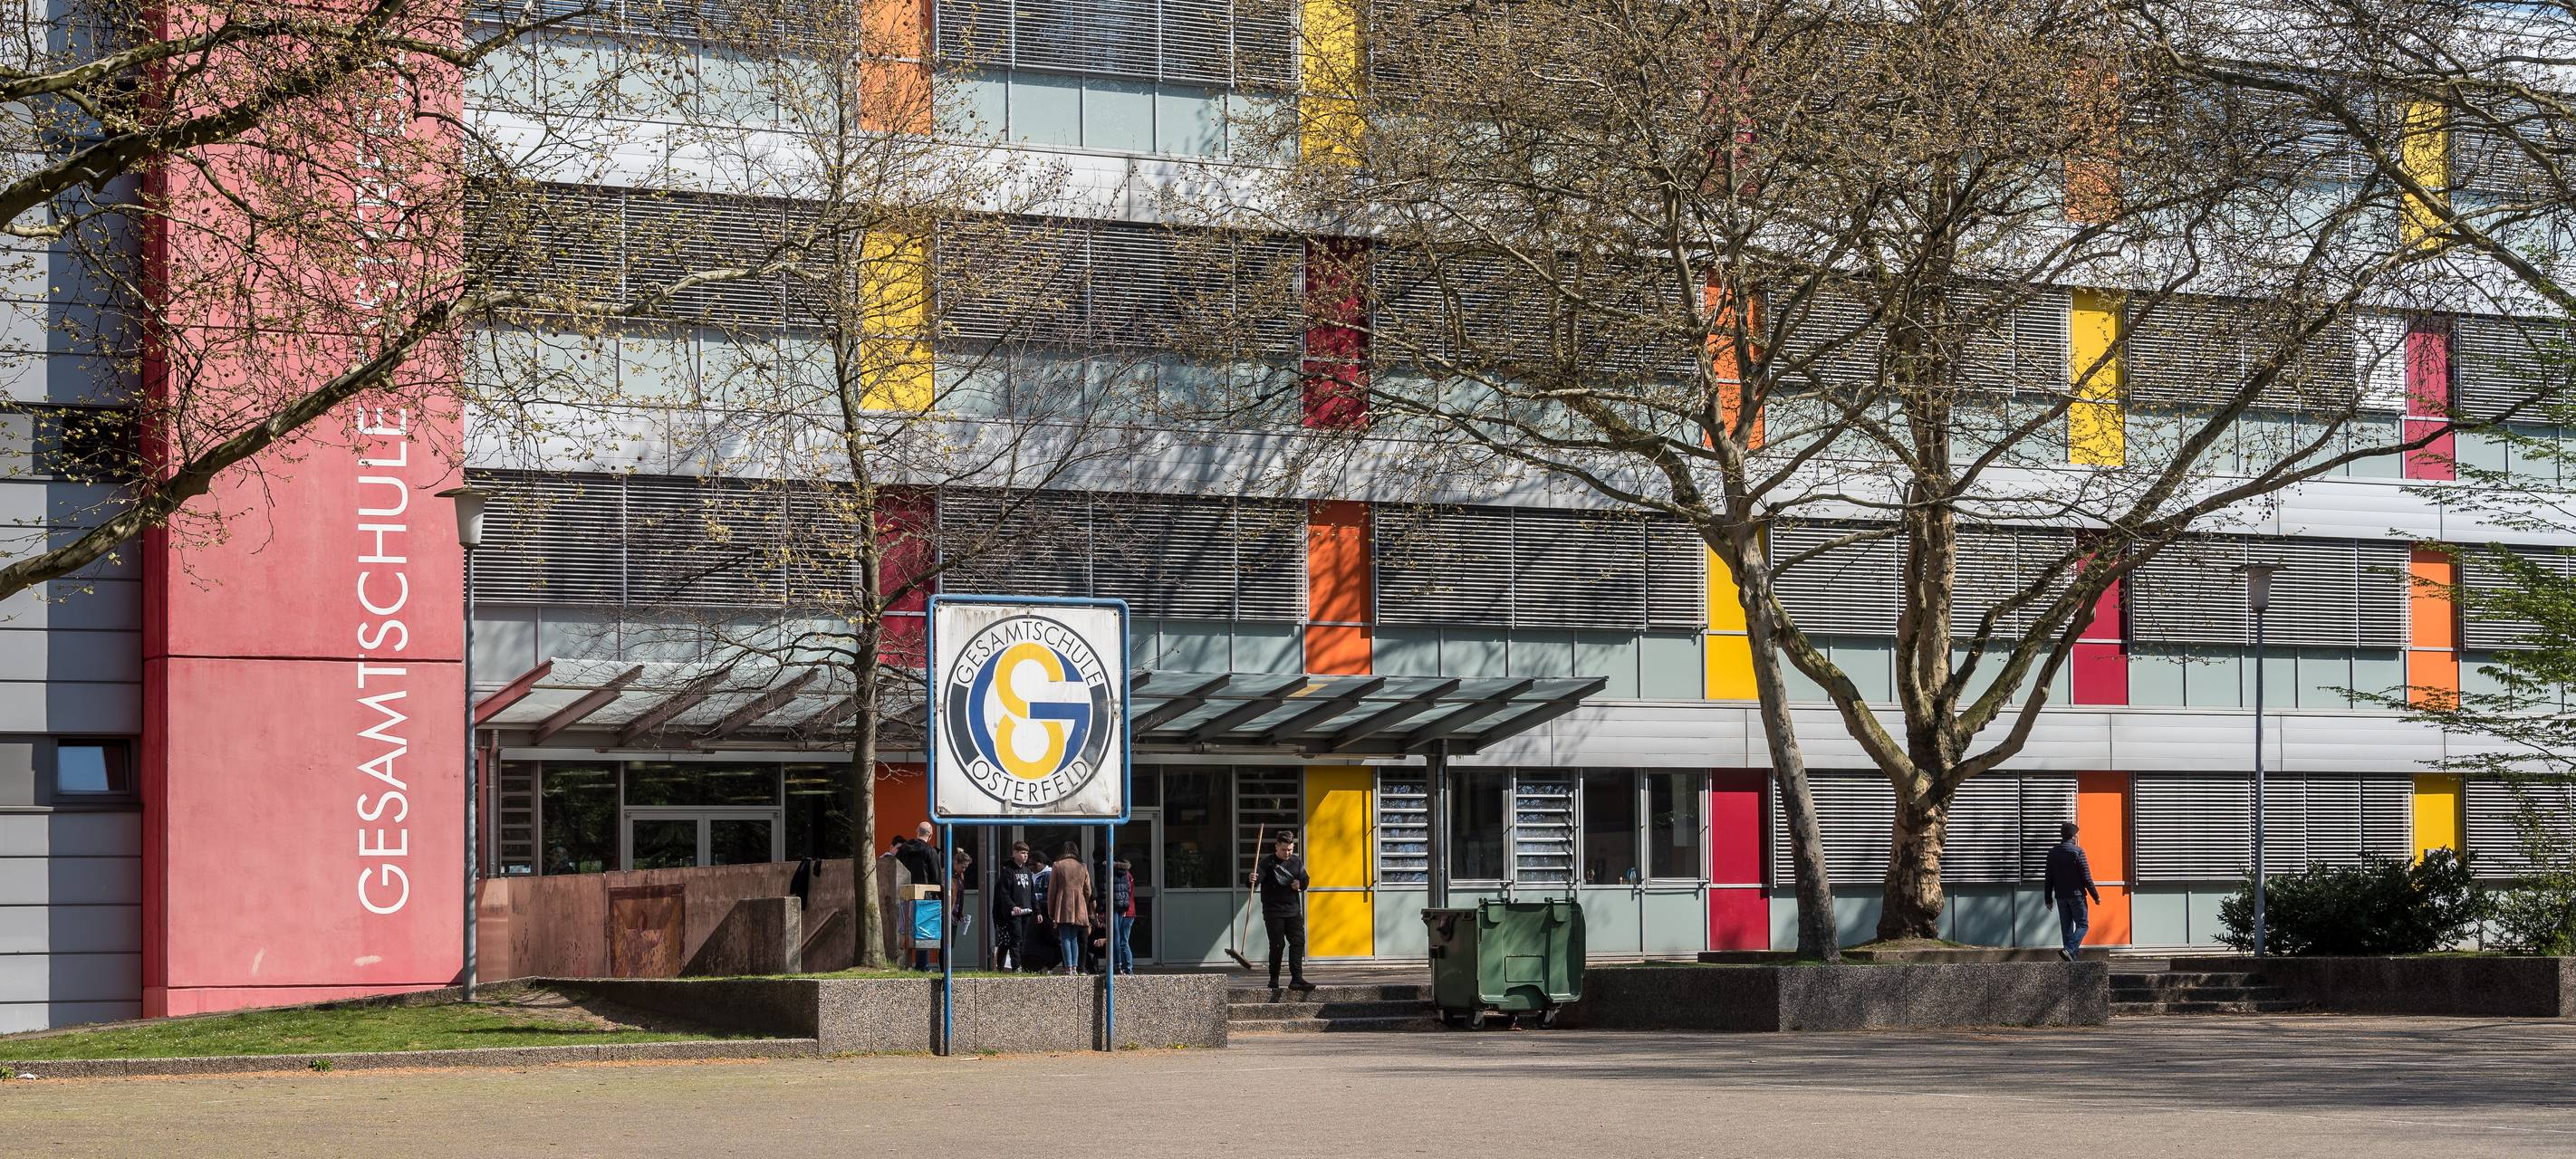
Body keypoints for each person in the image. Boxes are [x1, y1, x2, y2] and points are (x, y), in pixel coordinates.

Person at [1251, 831, 1312, 996]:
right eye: (1284, 850)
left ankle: (1297, 979)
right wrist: (1251, 879)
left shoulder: (1296, 861)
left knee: (1298, 941)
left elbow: (1306, 880)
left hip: (1293, 910)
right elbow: (1255, 881)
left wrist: (1300, 883)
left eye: (1290, 849)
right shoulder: (1267, 862)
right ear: (1277, 847)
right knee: (1278, 945)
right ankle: (1274, 979)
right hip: (1273, 912)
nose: (1288, 853)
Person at [2043, 821, 2103, 962]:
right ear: (2073, 836)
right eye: (2077, 835)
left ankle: (2071, 960)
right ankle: (2069, 950)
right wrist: (2095, 896)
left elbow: (2048, 878)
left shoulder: (2052, 853)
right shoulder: (2078, 852)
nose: (2077, 837)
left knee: (2067, 928)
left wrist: (2048, 899)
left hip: (2061, 896)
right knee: (2083, 925)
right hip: (2077, 896)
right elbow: (2086, 877)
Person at [1044, 841, 1093, 975]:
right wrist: (1084, 902)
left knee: (1065, 937)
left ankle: (1069, 968)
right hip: (1079, 904)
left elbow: (1052, 890)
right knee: (1074, 938)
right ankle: (1076, 967)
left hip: (1063, 904)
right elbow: (1088, 890)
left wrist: (1051, 911)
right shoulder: (1082, 866)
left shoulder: (1057, 865)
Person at [991, 842, 1040, 972]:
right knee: (1014, 940)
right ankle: (1015, 966)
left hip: (1026, 912)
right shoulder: (1008, 872)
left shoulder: (1028, 872)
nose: (1025, 856)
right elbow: (1003, 895)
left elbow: (1031, 894)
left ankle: (1020, 965)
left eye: (1026, 853)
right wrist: (1013, 907)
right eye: (1022, 853)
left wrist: (1037, 911)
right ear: (1015, 853)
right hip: (1012, 914)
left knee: (1022, 940)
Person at [1109, 857, 1138, 975]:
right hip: (1128, 910)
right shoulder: (1127, 875)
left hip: (1125, 912)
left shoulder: (1120, 876)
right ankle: (1127, 967)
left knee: (1122, 941)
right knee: (1122, 941)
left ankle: (1128, 968)